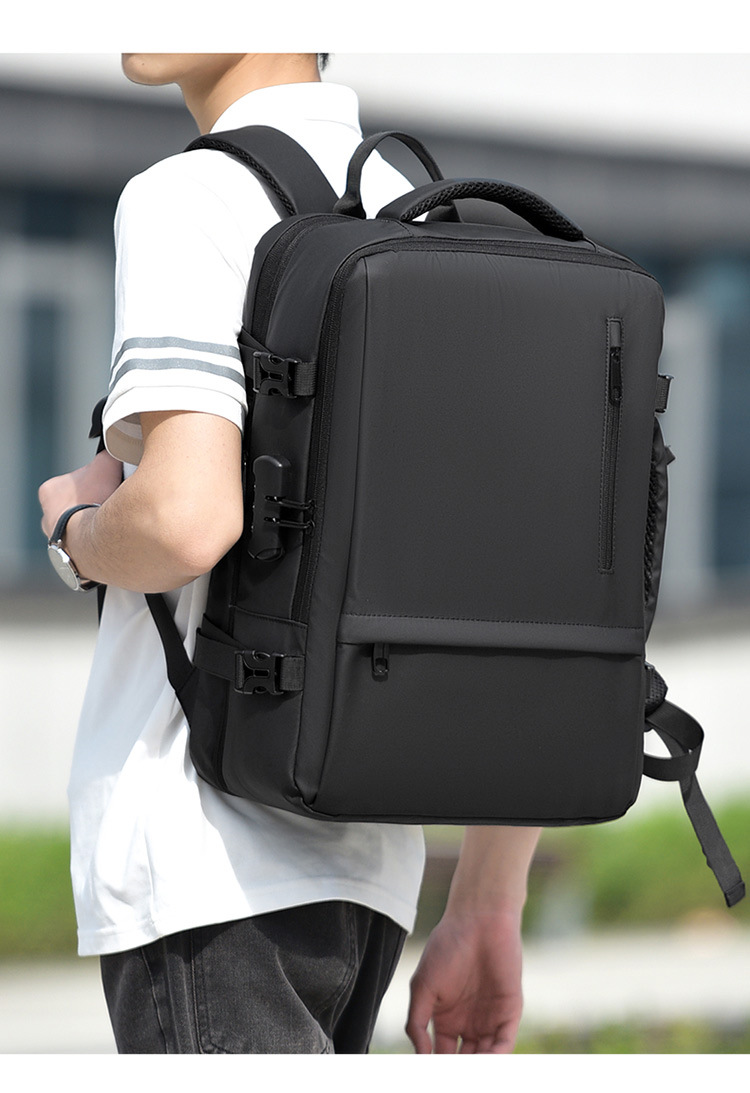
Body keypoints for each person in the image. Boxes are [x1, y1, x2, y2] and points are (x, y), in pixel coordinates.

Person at [38, 52, 541, 1055]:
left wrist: (76, 532)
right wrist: (489, 897)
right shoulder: (426, 209)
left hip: (207, 864)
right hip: (369, 874)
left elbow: (185, 520)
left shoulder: (189, 196)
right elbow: (516, 572)